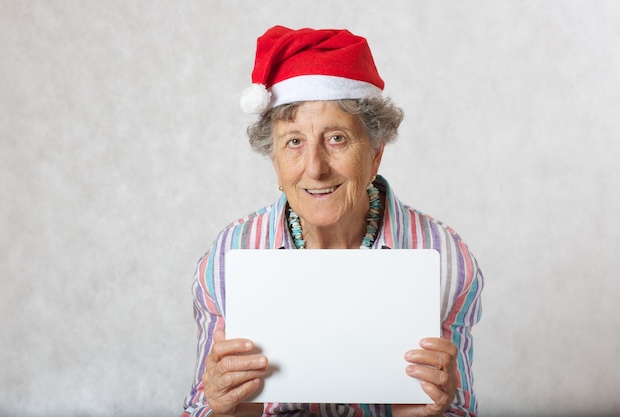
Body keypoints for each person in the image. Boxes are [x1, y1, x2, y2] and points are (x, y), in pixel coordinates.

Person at [181, 26, 484, 417]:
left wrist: (429, 412)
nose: (315, 168)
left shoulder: (447, 259)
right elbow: (197, 409)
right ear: (274, 160)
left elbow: (460, 410)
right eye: (293, 142)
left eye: (336, 138)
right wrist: (224, 409)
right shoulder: (227, 257)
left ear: (375, 153)